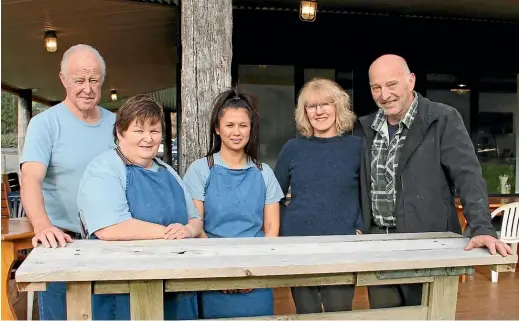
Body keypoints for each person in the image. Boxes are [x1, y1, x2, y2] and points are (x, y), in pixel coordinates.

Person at [354, 54, 513, 309]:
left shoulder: (442, 119)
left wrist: (482, 227)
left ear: (411, 81)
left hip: (428, 244)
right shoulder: (366, 127)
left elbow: (468, 175)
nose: (384, 94)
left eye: (392, 84)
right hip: (378, 245)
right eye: (376, 87)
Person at [77, 94, 203, 320]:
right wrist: (170, 234)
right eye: (139, 130)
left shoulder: (169, 172)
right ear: (120, 132)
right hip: (125, 290)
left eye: (154, 131)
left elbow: (194, 220)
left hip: (178, 291)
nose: (148, 138)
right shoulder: (103, 169)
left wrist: (188, 230)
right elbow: (110, 227)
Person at [20, 44, 115, 320]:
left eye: (94, 80)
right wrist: (42, 226)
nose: (87, 88)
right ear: (63, 80)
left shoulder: (116, 125)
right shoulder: (45, 124)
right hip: (61, 245)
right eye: (79, 80)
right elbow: (30, 179)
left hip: (107, 246)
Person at [183, 87, 283, 319]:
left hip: (257, 274)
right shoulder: (200, 171)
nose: (236, 132)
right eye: (229, 125)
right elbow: (196, 226)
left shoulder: (264, 172)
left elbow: (271, 230)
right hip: (212, 273)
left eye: (242, 125)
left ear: (251, 129)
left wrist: (253, 272)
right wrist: (222, 272)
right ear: (218, 129)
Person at [274, 78, 363, 314]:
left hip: (342, 245)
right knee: (307, 313)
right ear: (304, 113)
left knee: (339, 311)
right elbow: (274, 197)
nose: (319, 111)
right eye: (312, 106)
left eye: (326, 104)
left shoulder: (357, 147)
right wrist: (286, 228)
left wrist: (360, 228)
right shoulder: (292, 149)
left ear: (338, 107)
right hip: (299, 246)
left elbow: (368, 193)